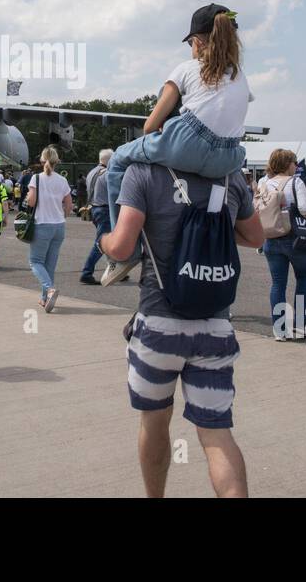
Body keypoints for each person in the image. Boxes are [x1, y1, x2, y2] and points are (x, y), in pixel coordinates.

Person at [100, 160, 264, 497]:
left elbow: (122, 247)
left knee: (155, 421)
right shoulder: (229, 174)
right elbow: (256, 236)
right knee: (217, 435)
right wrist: (215, 227)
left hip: (158, 324)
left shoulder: (143, 172)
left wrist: (104, 239)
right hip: (215, 328)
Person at [103, 4, 250, 282]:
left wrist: (160, 135)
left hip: (188, 142)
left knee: (118, 160)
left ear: (197, 42)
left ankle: (124, 252)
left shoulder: (187, 68)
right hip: (228, 155)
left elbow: (149, 126)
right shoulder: (240, 76)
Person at [258, 148, 306, 341]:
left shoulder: (264, 183)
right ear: (286, 164)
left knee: (278, 284)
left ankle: (279, 330)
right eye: (294, 162)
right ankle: (300, 326)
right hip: (294, 238)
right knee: (303, 279)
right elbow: (305, 208)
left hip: (271, 238)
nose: (296, 166)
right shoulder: (296, 182)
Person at [23, 146, 75, 312]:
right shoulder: (62, 180)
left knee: (36, 261)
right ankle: (45, 298)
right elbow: (69, 205)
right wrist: (62, 216)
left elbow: (31, 202)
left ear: (41, 160)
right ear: (57, 161)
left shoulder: (36, 178)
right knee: (50, 265)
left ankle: (50, 289)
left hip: (42, 224)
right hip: (59, 226)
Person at [79, 148, 113, 285]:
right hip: (105, 210)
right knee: (101, 243)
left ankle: (115, 270)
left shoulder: (92, 172)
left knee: (108, 240)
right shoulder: (107, 174)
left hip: (94, 208)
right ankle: (87, 272)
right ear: (110, 160)